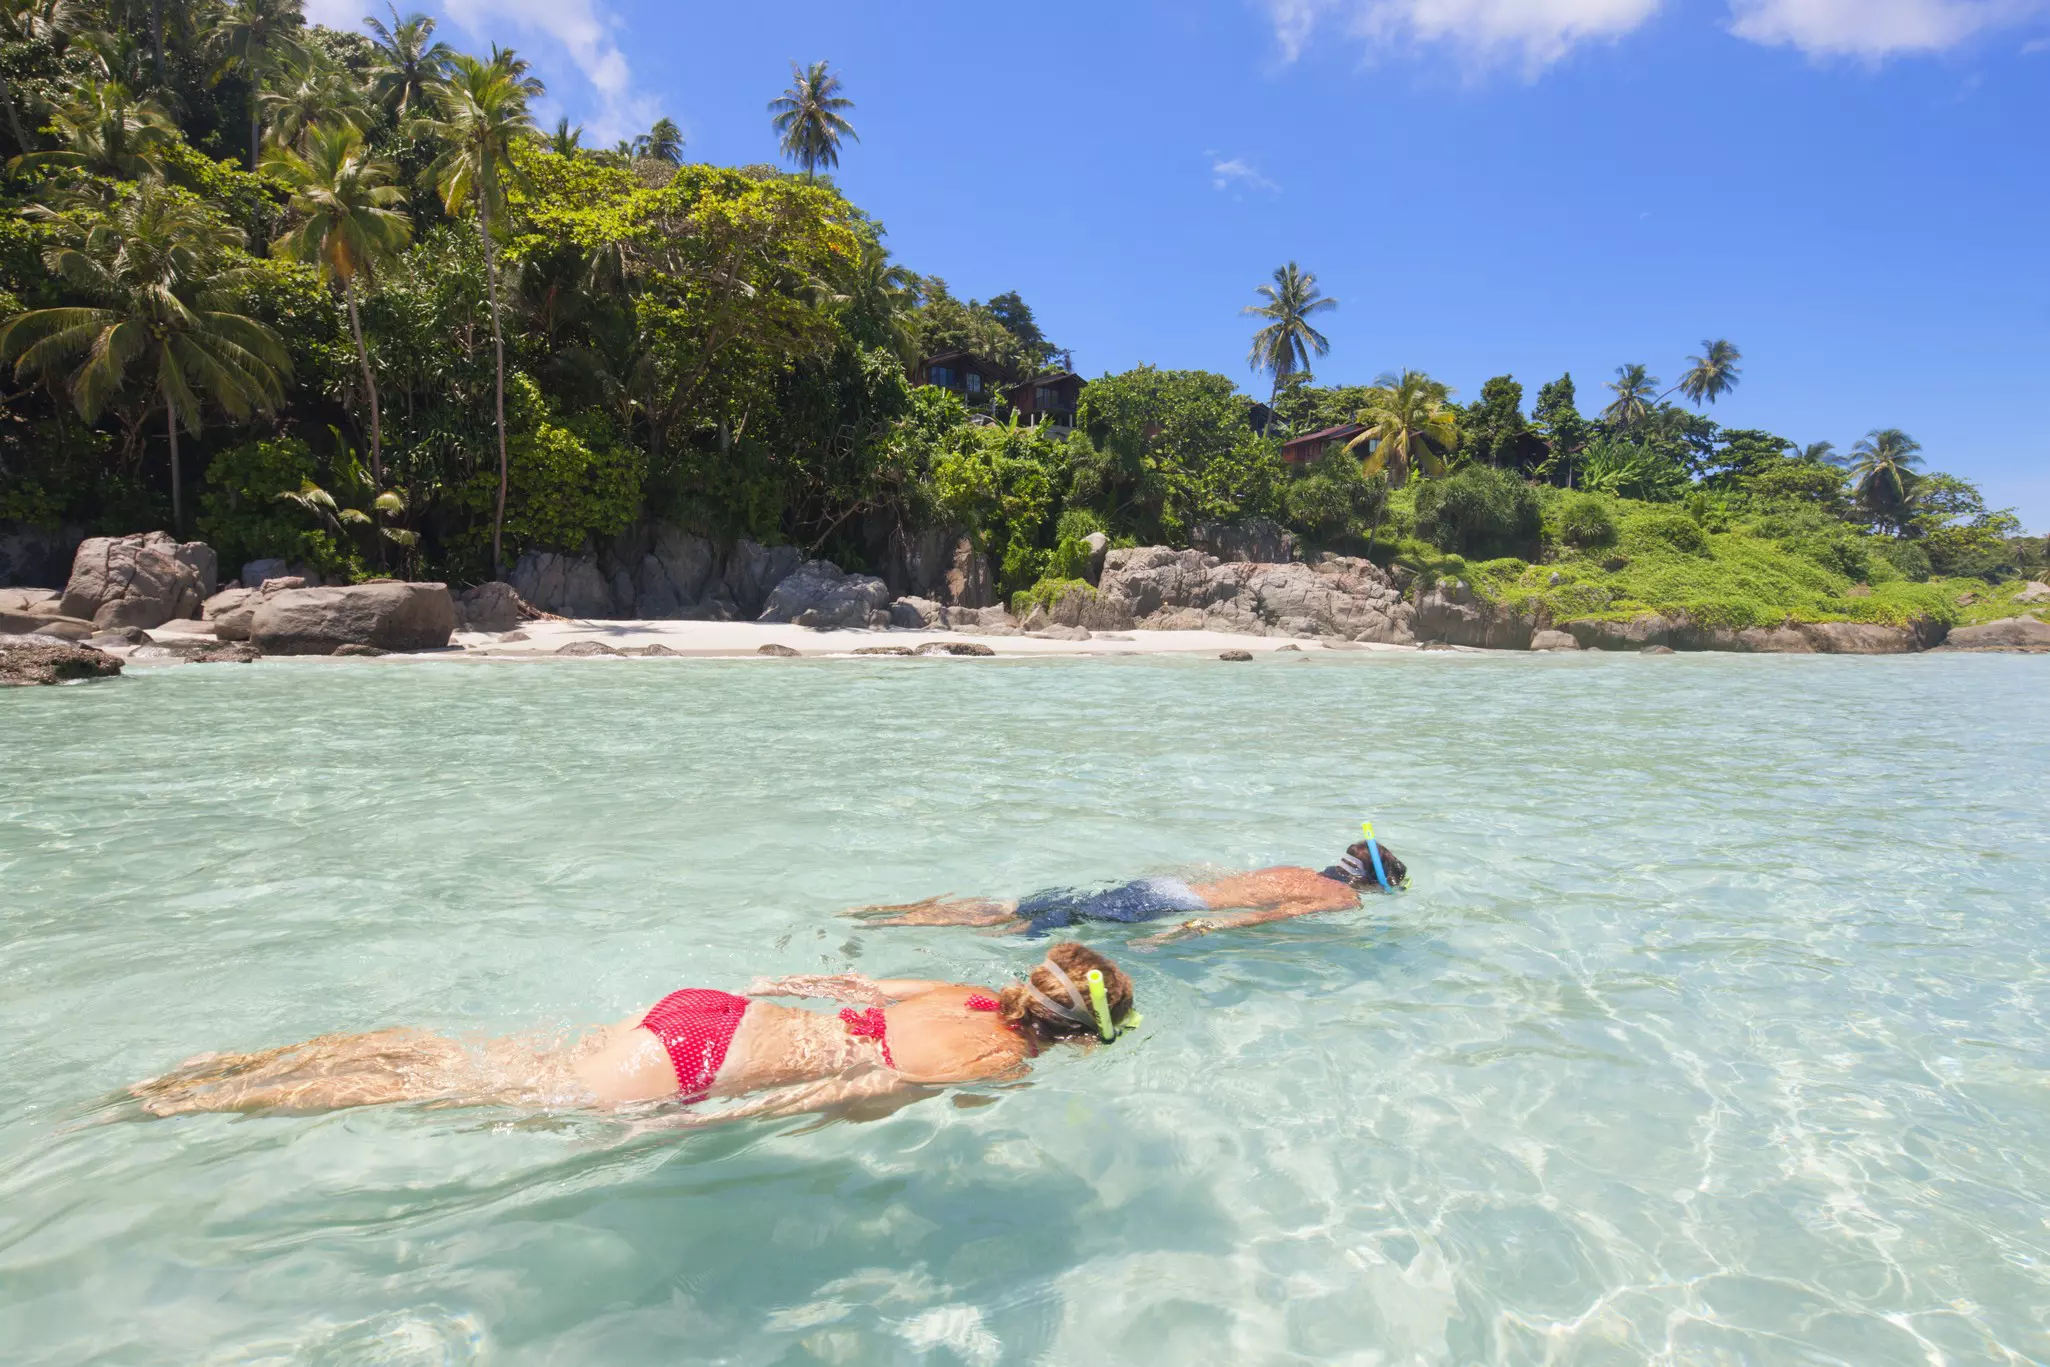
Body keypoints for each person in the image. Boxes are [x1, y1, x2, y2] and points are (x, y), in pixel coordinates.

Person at [130, 942, 1136, 1123]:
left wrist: (775, 981)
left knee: (471, 1059)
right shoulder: (1001, 1058)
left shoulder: (969, 993)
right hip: (720, 1062)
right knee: (461, 1094)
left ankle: (243, 1065)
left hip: (716, 1013)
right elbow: (851, 1092)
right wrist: (714, 1125)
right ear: (1077, 1036)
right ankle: (216, 1097)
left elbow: (854, 982)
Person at [848, 832, 1408, 945]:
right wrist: (1184, 934)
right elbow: (1259, 920)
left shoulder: (1298, 868)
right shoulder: (1341, 899)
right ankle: (907, 923)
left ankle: (901, 911)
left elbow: (1231, 885)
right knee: (1028, 925)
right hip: (1169, 903)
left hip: (1163, 885)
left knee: (1031, 906)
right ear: (1375, 886)